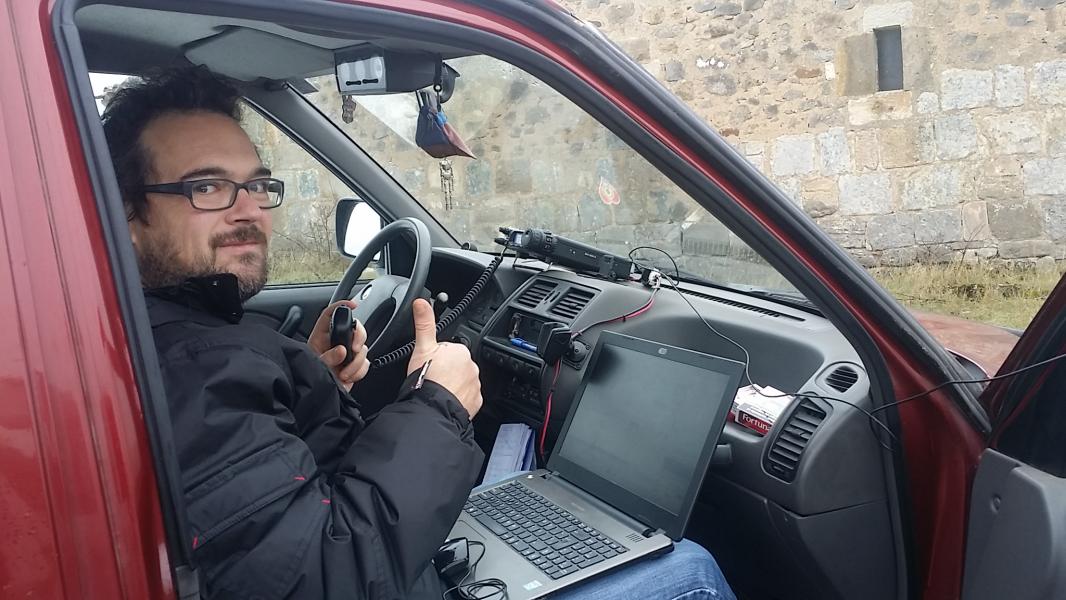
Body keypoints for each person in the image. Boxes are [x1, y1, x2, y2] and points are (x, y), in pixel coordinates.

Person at [102, 67, 736, 600]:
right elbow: (322, 577)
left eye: (257, 185)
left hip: (389, 554)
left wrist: (311, 381)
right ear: (126, 212)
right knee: (691, 567)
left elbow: (266, 499)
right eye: (208, 187)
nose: (248, 210)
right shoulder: (194, 368)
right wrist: (439, 407)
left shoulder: (175, 330)